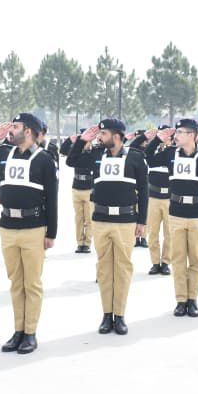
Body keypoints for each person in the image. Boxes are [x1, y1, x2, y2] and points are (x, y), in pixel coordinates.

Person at [66, 118, 148, 335]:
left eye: (104, 134)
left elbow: (144, 190)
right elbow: (71, 161)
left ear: (117, 136)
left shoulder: (135, 157)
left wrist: (142, 221)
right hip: (101, 219)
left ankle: (119, 315)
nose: (100, 137)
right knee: (104, 269)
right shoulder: (96, 154)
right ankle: (106, 314)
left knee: (122, 269)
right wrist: (82, 140)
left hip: (125, 221)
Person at [0, 114, 58, 353]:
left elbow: (52, 198)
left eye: (15, 127)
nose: (11, 130)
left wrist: (51, 233)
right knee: (16, 283)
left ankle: (30, 332)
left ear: (28, 131)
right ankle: (18, 330)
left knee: (32, 283)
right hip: (8, 226)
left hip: (33, 228)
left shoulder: (44, 160)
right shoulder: (7, 154)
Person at [147, 119, 198, 316]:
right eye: (176, 132)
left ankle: (192, 299)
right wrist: (157, 140)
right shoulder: (171, 153)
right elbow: (148, 158)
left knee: (195, 259)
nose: (175, 135)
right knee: (178, 259)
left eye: (180, 132)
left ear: (191, 135)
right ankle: (180, 300)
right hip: (176, 213)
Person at [142, 125, 173, 275]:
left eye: (166, 135)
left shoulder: (173, 152)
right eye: (161, 135)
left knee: (169, 233)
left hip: (169, 198)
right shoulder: (152, 152)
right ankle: (155, 262)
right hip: (154, 197)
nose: (164, 137)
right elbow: (146, 154)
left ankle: (166, 262)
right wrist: (156, 140)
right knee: (153, 233)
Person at [61, 129, 95, 253]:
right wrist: (71, 140)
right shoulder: (75, 152)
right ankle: (80, 243)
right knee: (79, 218)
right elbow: (63, 150)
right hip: (76, 187)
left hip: (89, 188)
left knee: (89, 218)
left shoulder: (94, 152)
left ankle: (87, 243)